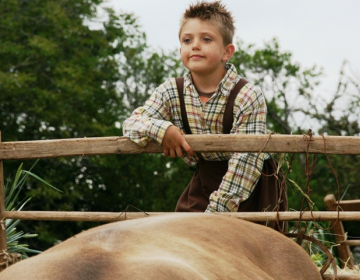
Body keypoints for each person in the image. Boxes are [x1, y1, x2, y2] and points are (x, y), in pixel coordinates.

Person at [123, 1, 287, 230]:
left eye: (206, 39)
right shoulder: (171, 91)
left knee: (253, 249)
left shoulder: (247, 95)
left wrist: (211, 218)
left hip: (252, 184)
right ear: (180, 49)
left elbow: (245, 166)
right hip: (205, 177)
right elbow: (131, 124)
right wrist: (163, 130)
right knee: (179, 236)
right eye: (187, 40)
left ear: (227, 52)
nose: (195, 46)